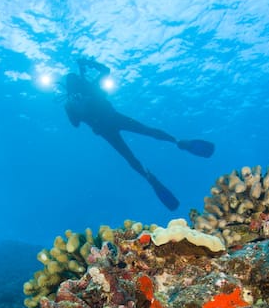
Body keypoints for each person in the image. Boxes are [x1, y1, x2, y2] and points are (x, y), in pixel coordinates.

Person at [62, 58, 215, 210]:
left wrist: (73, 106)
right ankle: (177, 141)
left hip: (105, 129)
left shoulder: (72, 102)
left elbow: (75, 125)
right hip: (115, 118)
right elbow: (106, 71)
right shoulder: (86, 90)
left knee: (129, 156)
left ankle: (148, 176)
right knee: (147, 131)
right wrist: (89, 64)